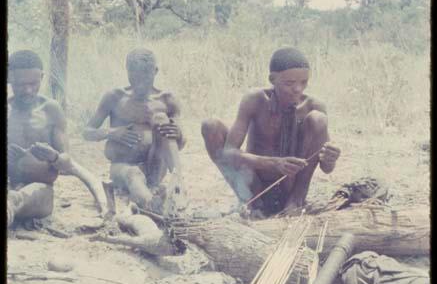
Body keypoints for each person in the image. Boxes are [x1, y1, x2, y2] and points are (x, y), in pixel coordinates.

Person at [201, 46, 341, 217]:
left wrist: (330, 157)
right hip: (254, 184)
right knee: (210, 126)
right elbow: (229, 154)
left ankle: (295, 203)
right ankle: (252, 203)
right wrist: (273, 163)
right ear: (272, 79)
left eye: (303, 82)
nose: (298, 89)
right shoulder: (255, 100)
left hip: (292, 189)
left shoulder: (314, 106)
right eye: (289, 83)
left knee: (319, 118)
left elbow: (327, 168)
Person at [83, 48, 185, 213]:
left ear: (156, 71)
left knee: (161, 119)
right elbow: (87, 132)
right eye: (135, 77)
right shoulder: (115, 97)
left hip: (155, 165)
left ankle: (179, 185)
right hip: (123, 166)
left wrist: (178, 133)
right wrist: (111, 132)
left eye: (145, 77)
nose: (140, 83)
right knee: (133, 174)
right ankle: (152, 205)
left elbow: (179, 143)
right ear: (127, 71)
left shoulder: (167, 100)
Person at [7, 50, 75, 226]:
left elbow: (67, 164)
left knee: (18, 199)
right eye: (21, 85)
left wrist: (53, 156)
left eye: (34, 83)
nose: (28, 90)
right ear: (9, 78)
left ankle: (10, 206)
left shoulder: (51, 110)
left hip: (40, 192)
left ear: (42, 77)